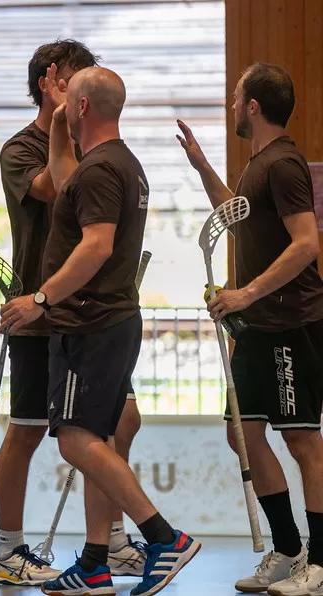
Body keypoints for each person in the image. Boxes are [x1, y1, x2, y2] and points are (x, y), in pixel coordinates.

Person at [0, 66, 199, 596]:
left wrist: (40, 299)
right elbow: (62, 175)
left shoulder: (100, 171)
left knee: (75, 441)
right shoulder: (119, 163)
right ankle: (94, 564)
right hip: (106, 322)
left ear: (82, 106)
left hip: (88, 326)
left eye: (72, 99)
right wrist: (62, 125)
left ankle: (163, 537)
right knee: (100, 439)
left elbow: (96, 246)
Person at [0, 40, 146, 586]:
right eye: (77, 83)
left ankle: (109, 544)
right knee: (29, 430)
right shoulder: (20, 148)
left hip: (92, 314)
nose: (86, 96)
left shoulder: (96, 149)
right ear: (51, 84)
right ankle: (9, 551)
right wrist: (62, 123)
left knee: (120, 421)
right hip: (39, 308)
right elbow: (58, 186)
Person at [178, 62, 323, 595]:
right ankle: (287, 551)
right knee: (243, 433)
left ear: (253, 106)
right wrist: (200, 167)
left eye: (237, 96)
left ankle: (321, 565)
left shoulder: (284, 164)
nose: (232, 104)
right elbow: (237, 219)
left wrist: (244, 293)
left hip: (291, 325)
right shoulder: (257, 165)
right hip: (257, 325)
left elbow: (306, 244)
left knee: (304, 442)